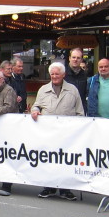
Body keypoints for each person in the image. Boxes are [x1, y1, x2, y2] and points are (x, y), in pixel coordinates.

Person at [30, 62, 83, 200]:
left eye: (57, 74)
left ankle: (65, 190)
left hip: (67, 134)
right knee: (49, 161)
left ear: (63, 75)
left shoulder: (73, 90)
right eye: (52, 74)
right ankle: (49, 188)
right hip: (48, 133)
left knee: (66, 161)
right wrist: (35, 111)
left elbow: (80, 113)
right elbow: (36, 105)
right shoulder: (43, 89)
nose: (54, 76)